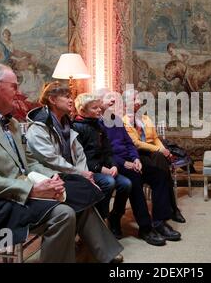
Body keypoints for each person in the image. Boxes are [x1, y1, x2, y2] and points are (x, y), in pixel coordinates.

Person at [0, 64, 122, 263]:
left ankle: (105, 254)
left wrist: (52, 179)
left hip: (19, 194)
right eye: (14, 86)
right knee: (63, 213)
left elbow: (30, 162)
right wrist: (31, 189)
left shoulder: (11, 123)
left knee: (79, 193)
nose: (18, 92)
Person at [25, 81, 124, 262]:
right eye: (66, 96)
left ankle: (99, 249)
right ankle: (102, 251)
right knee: (85, 195)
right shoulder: (38, 126)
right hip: (47, 174)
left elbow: (79, 153)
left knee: (86, 195)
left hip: (70, 173)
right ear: (53, 99)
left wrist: (85, 174)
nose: (71, 100)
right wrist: (81, 175)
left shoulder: (65, 122)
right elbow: (50, 159)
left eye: (71, 97)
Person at [96, 88, 181, 245]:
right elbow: (104, 154)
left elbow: (129, 143)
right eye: (109, 98)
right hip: (114, 164)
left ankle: (159, 222)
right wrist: (125, 163)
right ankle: (146, 227)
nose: (114, 101)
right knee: (135, 179)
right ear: (98, 102)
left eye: (115, 98)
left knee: (159, 175)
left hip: (130, 160)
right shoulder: (97, 124)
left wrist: (136, 159)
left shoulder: (116, 119)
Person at [72, 93, 132, 239]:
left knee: (126, 183)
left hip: (104, 167)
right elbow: (81, 158)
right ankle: (99, 223)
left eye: (99, 107)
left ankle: (115, 217)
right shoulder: (77, 128)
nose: (99, 110)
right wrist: (101, 169)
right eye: (94, 108)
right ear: (82, 111)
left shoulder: (98, 124)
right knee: (109, 182)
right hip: (87, 170)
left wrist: (113, 165)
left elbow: (108, 150)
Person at [123, 90, 186, 223]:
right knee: (161, 165)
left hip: (154, 153)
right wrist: (160, 150)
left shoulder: (145, 118)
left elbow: (156, 138)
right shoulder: (124, 122)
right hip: (138, 154)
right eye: (135, 99)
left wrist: (164, 149)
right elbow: (136, 144)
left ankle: (171, 209)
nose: (139, 102)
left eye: (138, 99)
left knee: (160, 160)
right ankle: (173, 209)